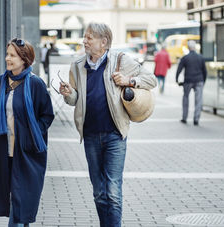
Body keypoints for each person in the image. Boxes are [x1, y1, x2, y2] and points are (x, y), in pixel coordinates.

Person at [59, 23, 157, 227]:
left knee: (112, 191)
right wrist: (69, 94)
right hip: (91, 136)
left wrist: (129, 80)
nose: (84, 41)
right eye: (85, 37)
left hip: (114, 135)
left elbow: (151, 79)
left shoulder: (121, 61)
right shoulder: (77, 66)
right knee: (98, 192)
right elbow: (75, 99)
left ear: (103, 42)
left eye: (89, 38)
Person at [0, 38, 54, 227]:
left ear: (24, 59)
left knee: (22, 199)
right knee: (14, 199)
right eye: (7, 54)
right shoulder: (1, 82)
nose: (7, 59)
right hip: (5, 150)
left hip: (28, 151)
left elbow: (47, 115)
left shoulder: (35, 84)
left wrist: (32, 134)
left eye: (12, 55)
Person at [175, 40, 207, 125]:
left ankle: (184, 118)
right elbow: (205, 71)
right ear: (195, 47)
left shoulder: (185, 58)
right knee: (198, 100)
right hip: (199, 80)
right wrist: (203, 81)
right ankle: (196, 119)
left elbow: (179, 69)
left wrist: (177, 79)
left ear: (188, 48)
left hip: (188, 81)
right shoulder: (201, 57)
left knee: (185, 98)